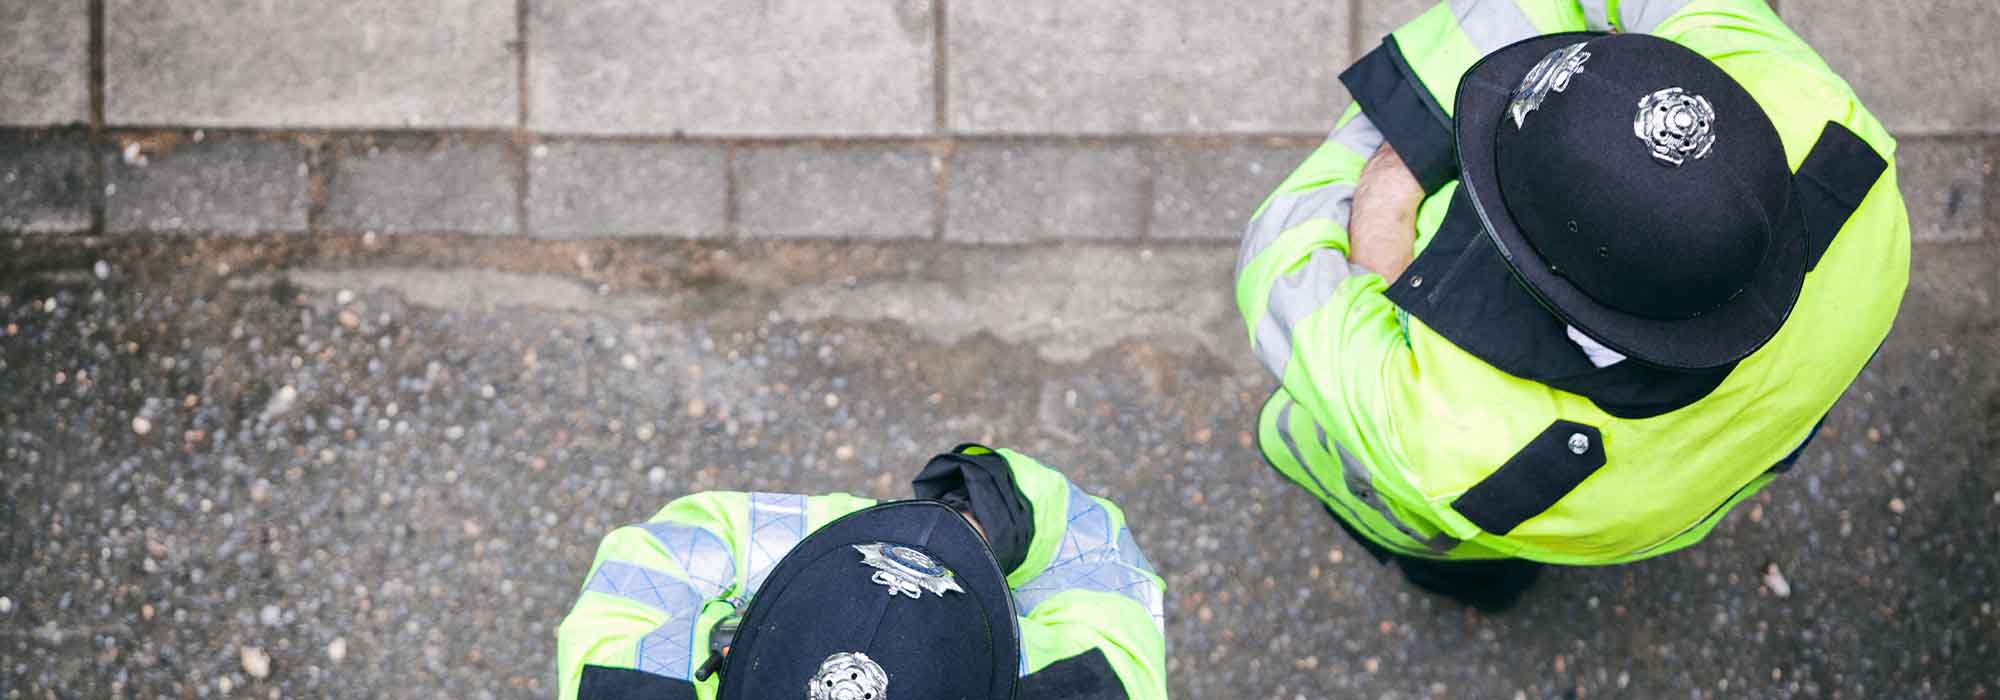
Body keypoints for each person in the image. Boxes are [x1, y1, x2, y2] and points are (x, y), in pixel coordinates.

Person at [1235, 0, 1906, 610]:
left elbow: (1281, 261)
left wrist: (1396, 164)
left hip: (1445, 504)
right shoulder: (1833, 130)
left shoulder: (1455, 442)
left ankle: (1482, 587)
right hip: (1739, 453)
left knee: (1457, 553)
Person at [554, 444, 1167, 699]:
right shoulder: (1091, 681)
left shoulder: (629, 681)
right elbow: (1094, 559)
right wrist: (990, 501)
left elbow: (660, 562)